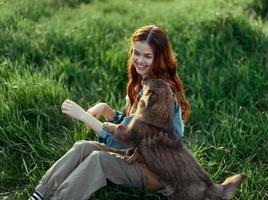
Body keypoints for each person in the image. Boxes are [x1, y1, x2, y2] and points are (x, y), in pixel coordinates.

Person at [30, 25, 191, 200]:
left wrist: (84, 116)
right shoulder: (145, 81)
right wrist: (109, 112)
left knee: (99, 160)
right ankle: (39, 195)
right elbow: (131, 125)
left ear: (159, 58)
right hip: (135, 156)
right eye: (136, 53)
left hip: (156, 172)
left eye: (147, 56)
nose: (139, 60)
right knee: (83, 147)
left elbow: (125, 140)